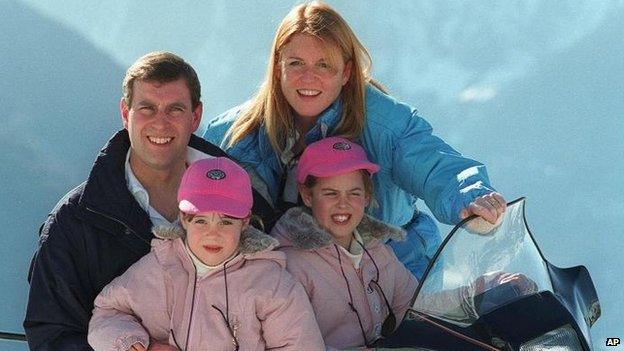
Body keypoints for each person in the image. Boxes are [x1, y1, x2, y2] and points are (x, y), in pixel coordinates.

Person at [202, 1, 507, 279]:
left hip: (394, 267)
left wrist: (471, 197)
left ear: (346, 71)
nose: (308, 78)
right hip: (290, 276)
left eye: (324, 65)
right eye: (296, 63)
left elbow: (434, 165)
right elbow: (192, 196)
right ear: (278, 64)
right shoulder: (233, 133)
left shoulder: (386, 123)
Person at [24, 52, 273, 351]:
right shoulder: (74, 221)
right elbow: (52, 337)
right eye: (147, 108)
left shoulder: (246, 202)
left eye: (175, 109)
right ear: (125, 113)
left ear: (196, 116)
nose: (160, 123)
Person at [271, 137, 533, 349]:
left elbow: (417, 309)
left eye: (354, 193)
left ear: (367, 196)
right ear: (307, 195)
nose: (343, 204)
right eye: (330, 193)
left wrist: (480, 293)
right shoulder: (291, 265)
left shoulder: (375, 250)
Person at [88, 157, 325, 351]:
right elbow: (107, 311)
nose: (213, 234)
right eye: (201, 220)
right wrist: (132, 344)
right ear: (184, 219)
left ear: (244, 222)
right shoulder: (158, 266)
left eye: (226, 222)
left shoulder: (271, 283)